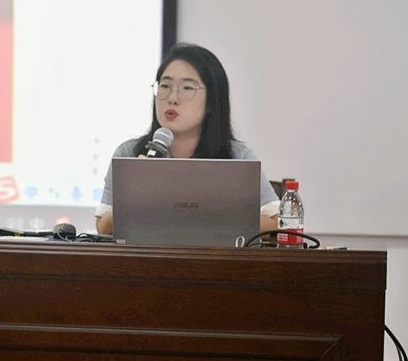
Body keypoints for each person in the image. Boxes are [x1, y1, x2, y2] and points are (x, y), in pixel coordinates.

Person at [95, 43, 280, 234]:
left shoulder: (237, 158)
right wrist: (135, 197)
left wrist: (206, 216)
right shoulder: (130, 154)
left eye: (187, 87)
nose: (172, 98)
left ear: (211, 101)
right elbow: (103, 227)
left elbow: (279, 223)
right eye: (165, 86)